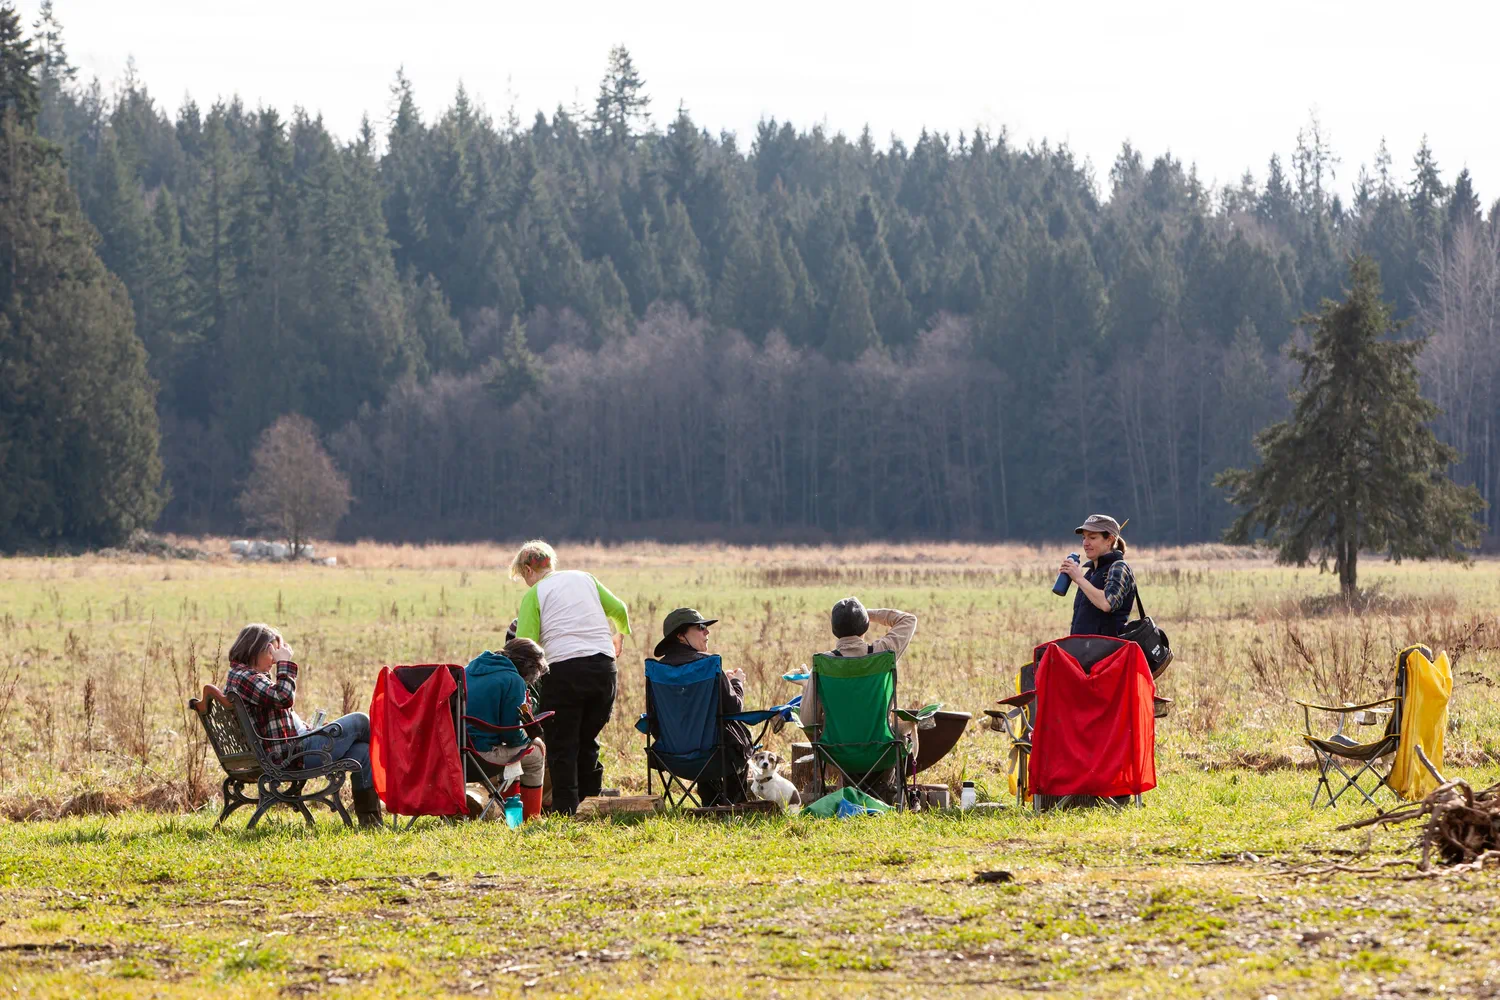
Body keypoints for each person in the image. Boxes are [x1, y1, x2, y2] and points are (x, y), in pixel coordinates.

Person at [510, 540, 631, 816]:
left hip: (565, 673)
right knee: (587, 739)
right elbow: (620, 610)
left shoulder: (535, 594)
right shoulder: (585, 578)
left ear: (529, 570)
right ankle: (593, 806)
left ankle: (567, 811)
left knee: (563, 744)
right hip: (604, 671)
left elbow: (525, 647)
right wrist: (619, 635)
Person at [223, 623, 383, 827]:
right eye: (272, 652)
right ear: (256, 649)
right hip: (292, 755)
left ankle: (370, 820)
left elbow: (278, 710)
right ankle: (400, 766)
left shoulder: (244, 676)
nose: (274, 659)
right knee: (360, 721)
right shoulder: (246, 677)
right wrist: (284, 664)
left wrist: (311, 729)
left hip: (292, 749)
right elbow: (283, 698)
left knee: (363, 752)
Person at [798, 598, 920, 797]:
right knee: (899, 728)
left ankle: (852, 792)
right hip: (881, 749)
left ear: (834, 629)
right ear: (864, 625)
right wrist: (867, 614)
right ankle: (884, 793)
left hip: (836, 752)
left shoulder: (822, 665)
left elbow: (807, 720)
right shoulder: (882, 652)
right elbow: (908, 619)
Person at [650, 608, 752, 805]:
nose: (707, 632)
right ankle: (732, 805)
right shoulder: (708, 665)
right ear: (680, 635)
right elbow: (734, 708)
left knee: (710, 737)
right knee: (735, 742)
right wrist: (737, 683)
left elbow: (654, 719)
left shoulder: (657, 671)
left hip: (671, 758)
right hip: (716, 757)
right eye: (700, 627)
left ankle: (710, 802)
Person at [465, 637, 549, 822]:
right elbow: (512, 735)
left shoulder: (469, 669)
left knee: (516, 752)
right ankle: (532, 817)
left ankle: (511, 809)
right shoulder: (513, 680)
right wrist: (531, 735)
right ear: (529, 668)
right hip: (479, 757)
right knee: (536, 752)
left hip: (453, 756)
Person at [1058, 514, 1136, 638]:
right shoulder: (1091, 572)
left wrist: (1079, 578)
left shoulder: (1119, 567)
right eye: (1084, 538)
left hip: (1108, 653)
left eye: (1092, 538)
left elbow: (1107, 604)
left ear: (1110, 539)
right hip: (1084, 650)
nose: (1085, 543)